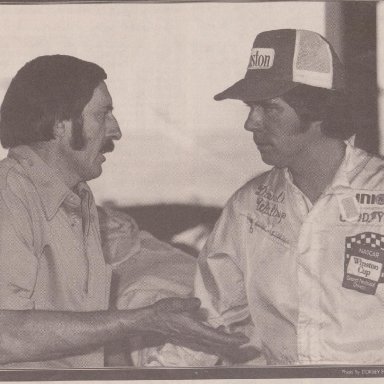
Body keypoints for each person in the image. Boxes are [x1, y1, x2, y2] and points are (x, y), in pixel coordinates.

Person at [143, 28, 384, 366]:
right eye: (250, 107)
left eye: (269, 109)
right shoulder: (250, 206)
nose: (250, 123)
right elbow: (210, 321)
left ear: (316, 111)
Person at [0, 55, 250, 368]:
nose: (116, 131)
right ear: (59, 123)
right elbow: (4, 336)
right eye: (103, 115)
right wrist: (144, 321)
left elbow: (91, 330)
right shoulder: (9, 195)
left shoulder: (77, 200)